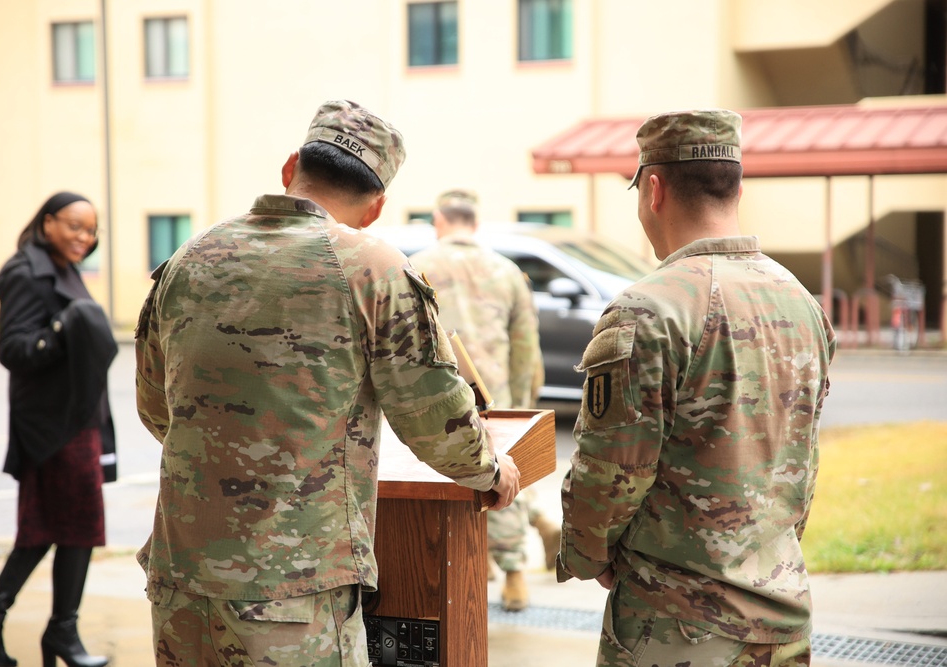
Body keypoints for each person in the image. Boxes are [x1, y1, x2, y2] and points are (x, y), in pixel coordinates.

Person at [133, 100, 521, 667]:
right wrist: (490, 468)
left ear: (291, 167)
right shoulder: (373, 268)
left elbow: (156, 406)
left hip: (182, 577)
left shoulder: (190, 258)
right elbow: (433, 414)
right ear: (376, 206)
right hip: (296, 589)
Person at [557, 109, 836, 666]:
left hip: (678, 626)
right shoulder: (800, 300)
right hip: (784, 619)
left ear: (653, 189)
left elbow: (610, 475)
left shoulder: (649, 308)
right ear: (735, 187)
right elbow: (798, 462)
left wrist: (587, 556)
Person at [0, 192, 116, 667]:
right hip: (52, 424)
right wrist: (61, 327)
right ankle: (58, 635)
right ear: (47, 222)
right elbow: (14, 349)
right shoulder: (28, 272)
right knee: (76, 527)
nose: (83, 237)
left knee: (51, 527)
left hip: (75, 418)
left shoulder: (61, 267)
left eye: (91, 230)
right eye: (74, 225)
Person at [409, 189, 559, 612]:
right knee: (503, 475)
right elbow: (525, 343)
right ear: (474, 223)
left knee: (444, 476)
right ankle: (514, 575)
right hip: (493, 391)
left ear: (439, 220)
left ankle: (459, 568)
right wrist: (522, 398)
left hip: (433, 390)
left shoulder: (416, 265)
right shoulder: (506, 270)